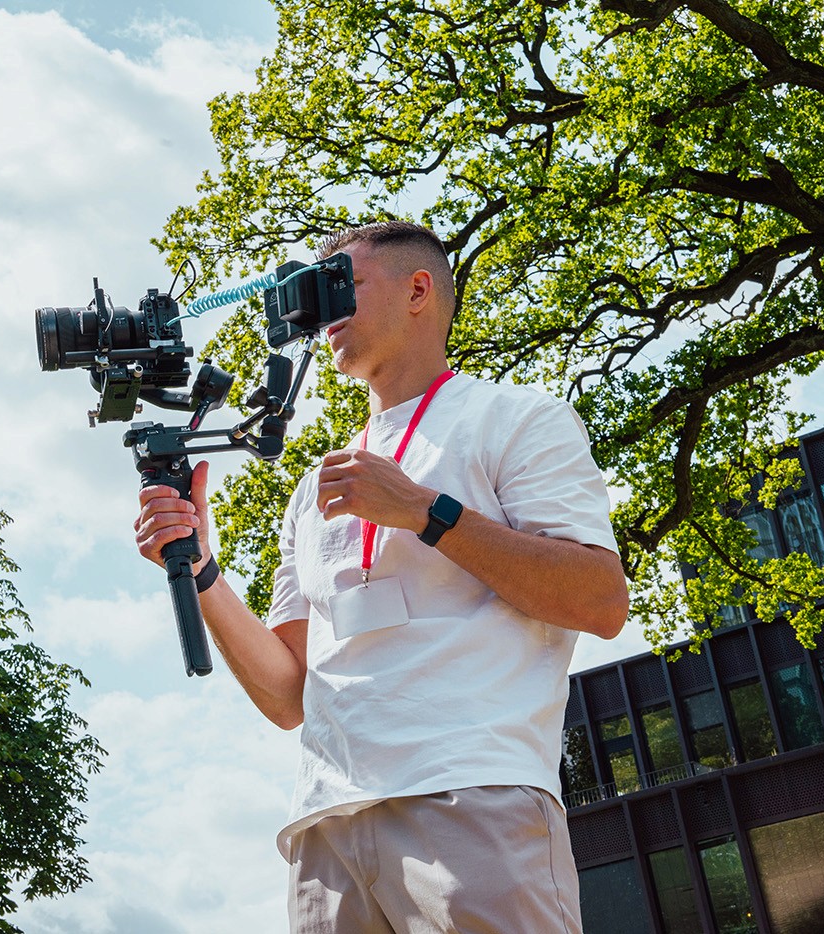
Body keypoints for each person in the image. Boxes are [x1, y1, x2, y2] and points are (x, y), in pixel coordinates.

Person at [134, 221, 629, 933]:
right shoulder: (312, 488)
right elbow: (286, 694)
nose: (321, 314)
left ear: (418, 290)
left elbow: (600, 599)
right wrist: (203, 568)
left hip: (470, 791)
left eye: (342, 288)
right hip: (326, 826)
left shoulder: (517, 419)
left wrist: (424, 510)